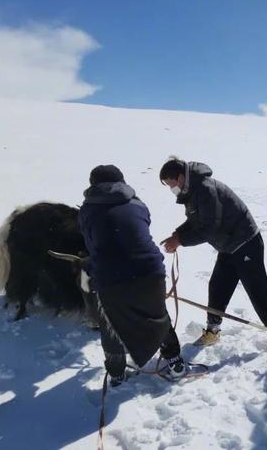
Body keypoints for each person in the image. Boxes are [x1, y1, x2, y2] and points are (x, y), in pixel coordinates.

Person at [79, 165, 185, 386]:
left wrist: (90, 266)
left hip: (112, 279)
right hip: (150, 271)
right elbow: (138, 233)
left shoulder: (88, 211)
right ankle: (175, 362)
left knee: (112, 324)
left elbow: (92, 247)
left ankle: (117, 374)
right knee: (157, 315)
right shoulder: (137, 203)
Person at [158, 157, 267, 349]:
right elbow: (197, 220)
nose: (170, 189)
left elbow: (209, 228)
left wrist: (180, 241)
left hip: (246, 242)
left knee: (256, 289)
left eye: (170, 184)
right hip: (228, 245)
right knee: (218, 287)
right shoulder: (191, 192)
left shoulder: (205, 189)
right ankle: (213, 332)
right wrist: (179, 233)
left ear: (180, 178)